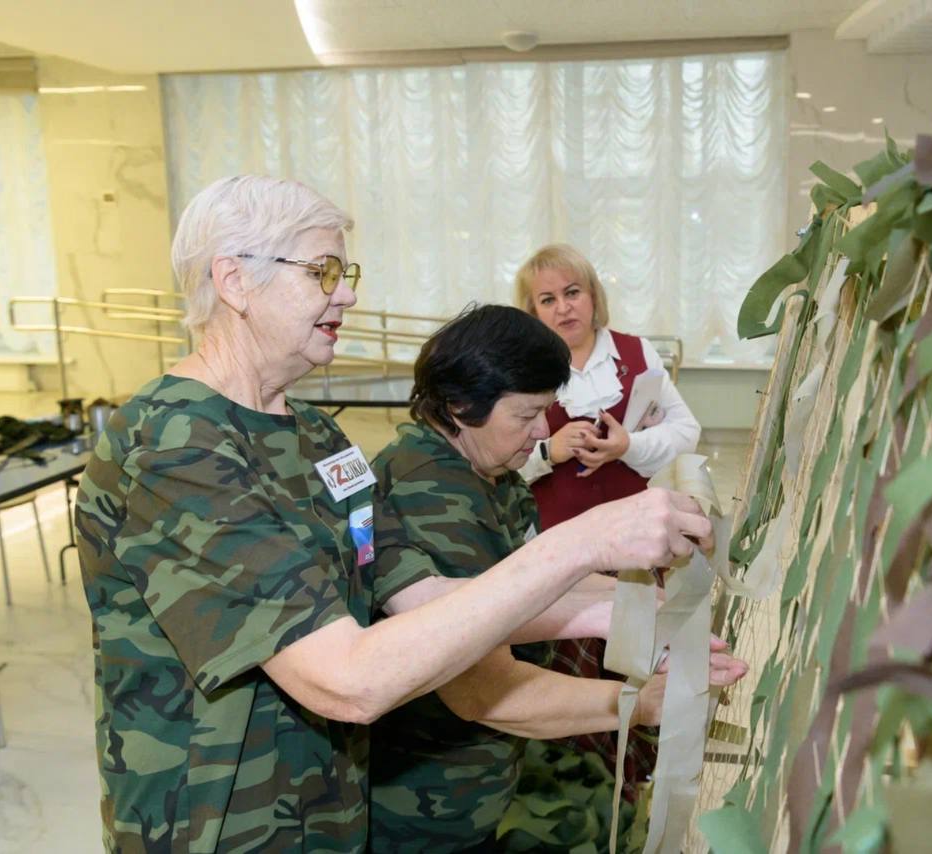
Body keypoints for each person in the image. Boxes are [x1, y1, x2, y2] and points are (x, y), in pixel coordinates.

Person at [74, 176, 713, 852]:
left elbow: (426, 595)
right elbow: (345, 680)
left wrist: (634, 610)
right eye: (323, 271)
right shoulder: (174, 446)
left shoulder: (318, 437)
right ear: (234, 281)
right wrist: (581, 543)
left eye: (344, 273)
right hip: (219, 831)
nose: (346, 294)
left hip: (330, 820)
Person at [366, 304, 746, 852]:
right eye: (526, 415)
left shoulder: (485, 470)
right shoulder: (430, 496)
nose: (544, 431)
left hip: (475, 783)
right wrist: (636, 705)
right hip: (425, 808)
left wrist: (654, 613)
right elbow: (483, 691)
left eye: (546, 410)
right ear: (460, 406)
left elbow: (537, 582)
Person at [513, 243, 702, 798]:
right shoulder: (521, 368)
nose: (564, 307)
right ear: (532, 310)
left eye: (573, 292)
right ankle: (585, 787)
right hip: (561, 551)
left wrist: (628, 446)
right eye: (547, 299)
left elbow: (686, 432)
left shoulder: (635, 354)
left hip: (637, 545)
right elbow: (493, 462)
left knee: (639, 659)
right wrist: (547, 451)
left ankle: (641, 780)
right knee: (574, 669)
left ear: (594, 296)